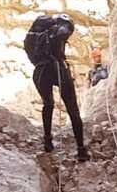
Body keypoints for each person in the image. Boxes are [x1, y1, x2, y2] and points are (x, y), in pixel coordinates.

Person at [25, 13, 89, 161]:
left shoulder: (37, 33)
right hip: (57, 68)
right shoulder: (60, 27)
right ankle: (81, 149)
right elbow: (62, 34)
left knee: (48, 104)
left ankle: (47, 140)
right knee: (73, 109)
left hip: (40, 71)